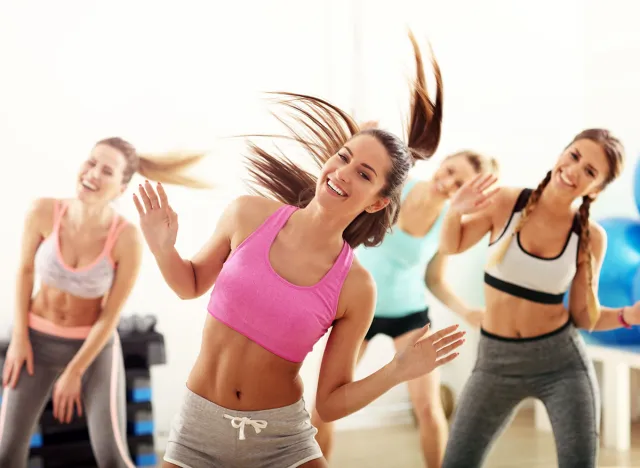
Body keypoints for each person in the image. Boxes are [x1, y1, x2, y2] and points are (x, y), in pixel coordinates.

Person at [134, 32, 466, 468]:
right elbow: (190, 284)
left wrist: (398, 370)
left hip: (282, 442)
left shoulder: (356, 287)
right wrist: (162, 249)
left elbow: (328, 404)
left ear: (377, 201)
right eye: (343, 157)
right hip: (199, 430)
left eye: (364, 174)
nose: (343, 173)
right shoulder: (248, 214)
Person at [0, 137, 209, 468]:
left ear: (121, 189)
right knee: (5, 455)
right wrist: (19, 339)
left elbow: (110, 315)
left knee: (112, 457)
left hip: (93, 348)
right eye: (91, 162)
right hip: (35, 342)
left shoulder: (126, 238)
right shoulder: (42, 211)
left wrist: (75, 371)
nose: (93, 173)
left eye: (107, 171)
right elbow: (24, 272)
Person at [438, 129, 640, 468]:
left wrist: (628, 316)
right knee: (458, 461)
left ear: (598, 189)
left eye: (590, 171)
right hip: (494, 363)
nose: (575, 170)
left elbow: (583, 316)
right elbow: (451, 245)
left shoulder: (590, 236)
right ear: (562, 153)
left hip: (561, 364)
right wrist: (455, 211)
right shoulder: (505, 201)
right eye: (574, 156)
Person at [310, 145, 499, 467]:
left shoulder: (447, 226)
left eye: (459, 184)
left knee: (428, 407)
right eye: (451, 171)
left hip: (410, 316)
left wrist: (467, 311)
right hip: (358, 311)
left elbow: (435, 280)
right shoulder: (397, 187)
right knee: (324, 407)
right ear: (443, 162)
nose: (448, 182)